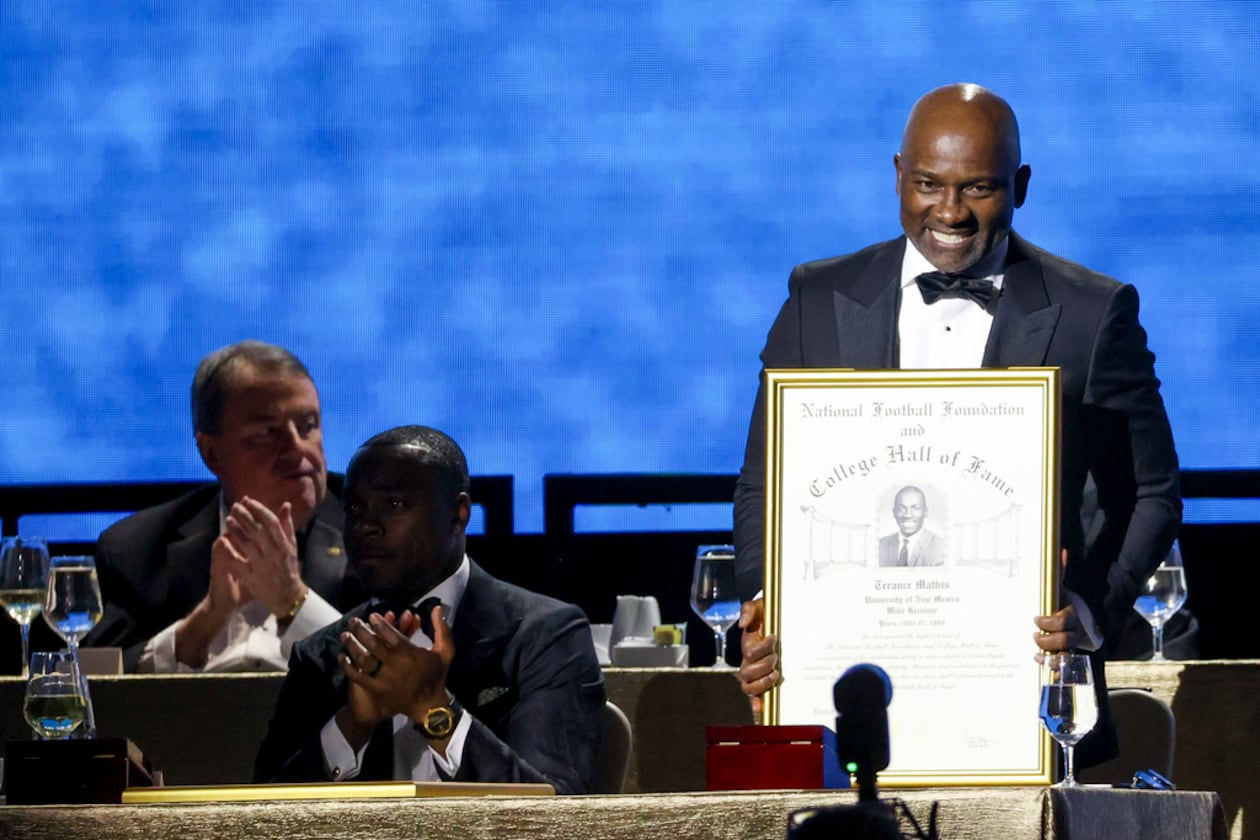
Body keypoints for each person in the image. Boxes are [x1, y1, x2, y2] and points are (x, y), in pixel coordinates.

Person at [732, 83, 1181, 765]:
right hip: (837, 692)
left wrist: (1087, 616)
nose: (949, 211)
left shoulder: (1093, 313)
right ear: (897, 177)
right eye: (927, 184)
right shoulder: (817, 300)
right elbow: (764, 484)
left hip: (1021, 705)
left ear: (1020, 186)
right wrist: (772, 604)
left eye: (978, 188)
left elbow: (1152, 492)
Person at [253, 425, 606, 793]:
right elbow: (256, 818)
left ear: (458, 514)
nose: (365, 526)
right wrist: (350, 728)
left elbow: (555, 812)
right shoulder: (321, 655)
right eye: (354, 508)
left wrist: (432, 708)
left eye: (393, 505)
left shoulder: (545, 636)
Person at [86, 340, 362, 672]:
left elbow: (400, 674)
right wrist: (206, 619)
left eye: (308, 425)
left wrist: (294, 602)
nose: (296, 449)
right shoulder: (137, 550)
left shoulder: (373, 529)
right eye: (266, 432)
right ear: (211, 454)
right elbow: (97, 682)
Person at [877, 485, 945, 567]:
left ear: (925, 512)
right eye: (901, 508)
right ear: (894, 512)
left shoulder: (941, 548)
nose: (907, 515)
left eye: (915, 508)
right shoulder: (880, 546)